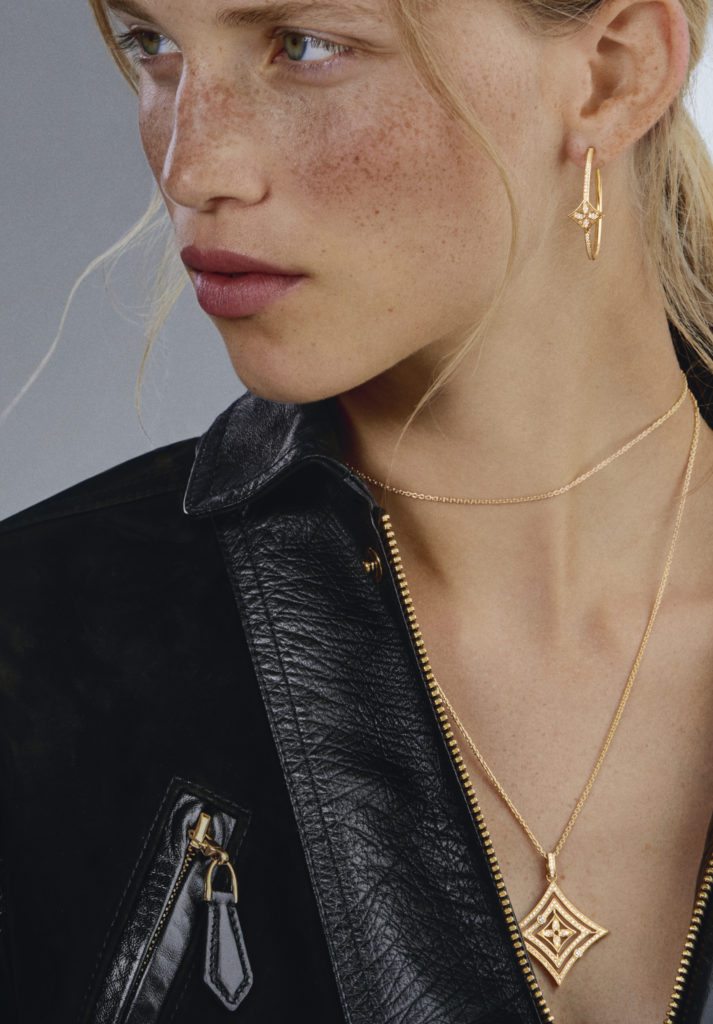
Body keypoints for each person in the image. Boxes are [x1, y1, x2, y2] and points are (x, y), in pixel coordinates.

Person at [2, 0, 713, 1020]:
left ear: (612, 71)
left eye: (303, 46)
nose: (191, 170)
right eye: (151, 44)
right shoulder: (37, 645)